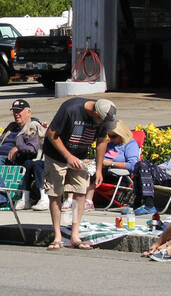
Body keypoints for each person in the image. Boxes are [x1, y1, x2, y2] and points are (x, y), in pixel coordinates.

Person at [44, 97, 117, 250]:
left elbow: (102, 142)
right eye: (101, 120)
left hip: (80, 156)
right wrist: (68, 156)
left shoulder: (104, 116)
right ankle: (57, 236)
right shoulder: (71, 109)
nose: (102, 124)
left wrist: (98, 170)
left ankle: (75, 236)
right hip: (57, 155)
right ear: (95, 112)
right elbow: (51, 133)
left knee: (80, 193)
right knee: (55, 193)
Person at [0, 99, 47, 210]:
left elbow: (33, 147)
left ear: (28, 112)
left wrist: (18, 148)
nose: (16, 114)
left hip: (15, 158)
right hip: (0, 155)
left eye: (19, 111)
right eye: (14, 111)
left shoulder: (32, 125)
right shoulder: (12, 126)